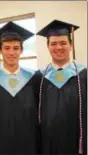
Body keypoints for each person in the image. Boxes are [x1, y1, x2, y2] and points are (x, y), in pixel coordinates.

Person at [0, 22, 41, 154]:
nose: (11, 52)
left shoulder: (33, 78)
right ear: (0, 50)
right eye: (7, 48)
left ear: (21, 50)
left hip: (28, 144)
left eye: (16, 48)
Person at [36, 19, 87, 154]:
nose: (58, 47)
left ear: (70, 45)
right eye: (53, 43)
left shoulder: (83, 75)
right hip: (47, 146)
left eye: (63, 43)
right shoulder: (39, 78)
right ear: (48, 47)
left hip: (75, 145)